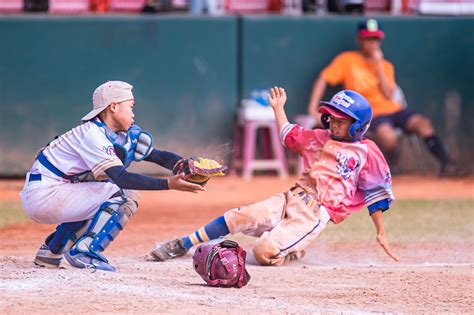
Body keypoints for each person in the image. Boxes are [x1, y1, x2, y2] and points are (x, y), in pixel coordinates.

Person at [149, 87, 399, 266]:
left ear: (358, 126)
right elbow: (288, 134)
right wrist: (278, 109)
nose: (333, 124)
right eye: (331, 118)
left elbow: (374, 193)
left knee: (263, 251)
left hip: (314, 213)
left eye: (341, 121)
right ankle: (182, 244)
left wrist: (381, 232)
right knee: (240, 215)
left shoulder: (367, 152)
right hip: (290, 196)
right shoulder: (318, 138)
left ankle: (290, 248)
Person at [20, 81, 207, 272]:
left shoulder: (114, 134)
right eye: (131, 106)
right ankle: (85, 252)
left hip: (52, 191)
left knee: (102, 191)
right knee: (122, 192)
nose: (133, 113)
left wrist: (183, 165)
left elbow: (157, 155)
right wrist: (168, 184)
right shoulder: (93, 135)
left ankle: (52, 251)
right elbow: (122, 178)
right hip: (45, 195)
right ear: (114, 106)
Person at [307, 18, 462, 176]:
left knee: (423, 124)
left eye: (375, 39)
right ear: (359, 39)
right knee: (388, 137)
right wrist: (313, 109)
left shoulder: (386, 65)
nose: (372, 43)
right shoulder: (348, 60)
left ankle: (447, 163)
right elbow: (323, 79)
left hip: (393, 109)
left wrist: (378, 63)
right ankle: (389, 169)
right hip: (370, 112)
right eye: (368, 38)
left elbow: (389, 94)